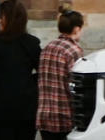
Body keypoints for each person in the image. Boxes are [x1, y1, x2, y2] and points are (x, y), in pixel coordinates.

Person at [0, 0, 41, 140]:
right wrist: (29, 83)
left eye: (1, 17)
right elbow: (41, 71)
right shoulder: (31, 43)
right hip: (26, 107)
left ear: (8, 19)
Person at [36, 8, 84, 140]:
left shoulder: (47, 48)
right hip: (64, 117)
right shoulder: (74, 51)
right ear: (76, 29)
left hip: (44, 116)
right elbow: (76, 85)